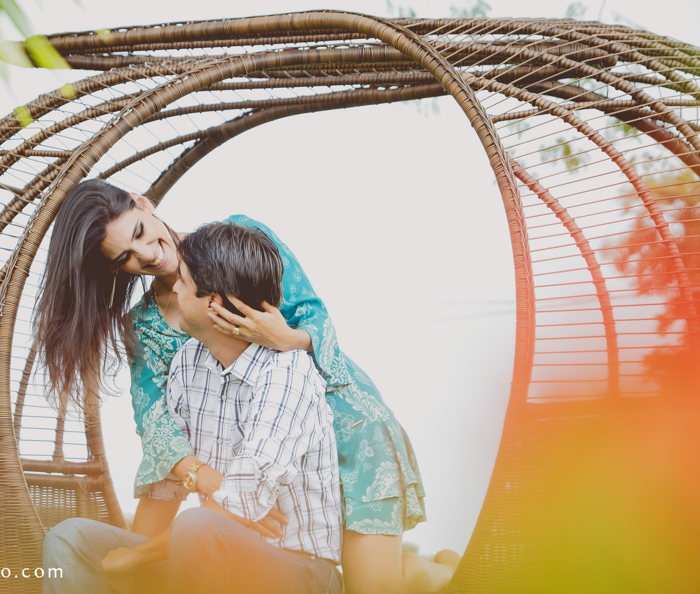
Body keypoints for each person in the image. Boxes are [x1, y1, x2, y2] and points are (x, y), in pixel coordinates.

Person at [34, 179, 461, 593]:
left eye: (141, 233)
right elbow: (158, 425)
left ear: (141, 202)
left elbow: (314, 316)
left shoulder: (236, 243)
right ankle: (416, 568)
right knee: (142, 554)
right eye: (124, 257)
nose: (147, 255)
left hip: (343, 430)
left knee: (374, 587)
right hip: (253, 457)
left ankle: (434, 574)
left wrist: (287, 339)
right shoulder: (148, 327)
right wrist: (216, 497)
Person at [43, 221, 343, 594]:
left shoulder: (289, 372)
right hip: (209, 550)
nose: (173, 290)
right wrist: (134, 550)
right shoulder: (187, 361)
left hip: (300, 569)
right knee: (70, 538)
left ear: (213, 304)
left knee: (197, 526)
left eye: (182, 280)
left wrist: (136, 558)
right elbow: (171, 479)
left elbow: (240, 501)